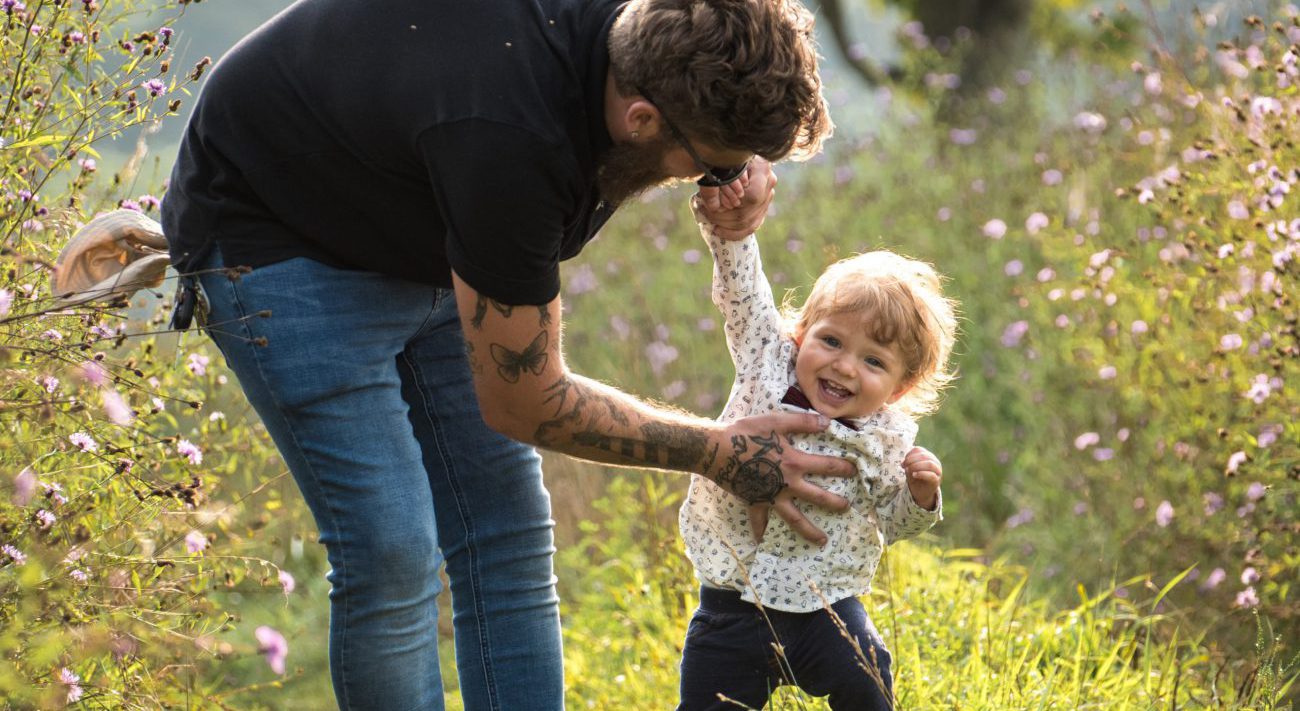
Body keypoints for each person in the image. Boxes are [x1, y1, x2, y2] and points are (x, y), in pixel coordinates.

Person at [160, 0, 841, 709]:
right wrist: (715, 450)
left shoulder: (654, 31)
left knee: (508, 535)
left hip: (419, 207)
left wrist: (739, 160)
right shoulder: (511, 140)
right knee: (392, 553)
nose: (717, 180)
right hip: (274, 234)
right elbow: (525, 400)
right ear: (641, 119)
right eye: (709, 168)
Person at [676, 200, 959, 711]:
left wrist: (920, 495)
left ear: (900, 386)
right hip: (731, 603)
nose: (844, 367)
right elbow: (742, 293)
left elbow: (892, 524)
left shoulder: (886, 439)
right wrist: (732, 231)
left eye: (874, 361)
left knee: (868, 676)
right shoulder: (767, 364)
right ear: (800, 334)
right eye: (831, 341)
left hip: (827, 609)